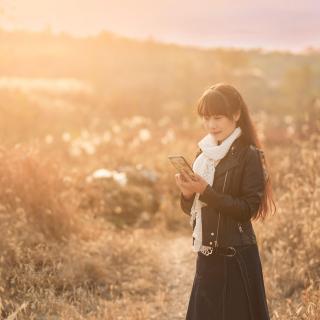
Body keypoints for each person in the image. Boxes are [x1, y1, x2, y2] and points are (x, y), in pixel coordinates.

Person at [174, 83, 276, 320]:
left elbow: (246, 209)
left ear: (236, 115)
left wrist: (205, 191)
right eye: (206, 118)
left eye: (218, 117)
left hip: (236, 257)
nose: (211, 125)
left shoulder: (250, 155)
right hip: (208, 257)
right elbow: (191, 210)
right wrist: (188, 194)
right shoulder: (203, 154)